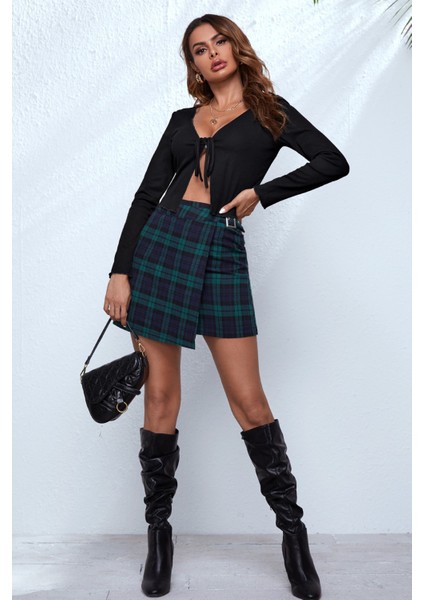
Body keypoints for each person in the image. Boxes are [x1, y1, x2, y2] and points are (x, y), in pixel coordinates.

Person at [103, 13, 349, 600]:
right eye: (198, 49)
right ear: (192, 64)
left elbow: (332, 161)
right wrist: (119, 272)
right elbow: (146, 197)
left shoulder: (270, 113)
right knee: (160, 397)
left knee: (249, 400)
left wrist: (262, 192)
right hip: (161, 247)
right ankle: (159, 536)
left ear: (237, 49)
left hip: (219, 248)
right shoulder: (180, 121)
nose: (211, 53)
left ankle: (293, 535)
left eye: (219, 42)